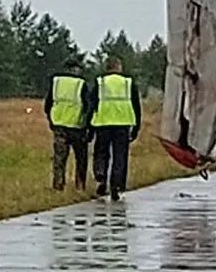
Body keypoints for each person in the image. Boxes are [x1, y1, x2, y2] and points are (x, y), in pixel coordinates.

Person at [89, 56, 142, 201]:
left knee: (101, 152)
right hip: (123, 124)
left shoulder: (100, 82)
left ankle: (101, 176)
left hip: (103, 123)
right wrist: (137, 127)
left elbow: (92, 104)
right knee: (120, 157)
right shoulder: (128, 82)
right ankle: (116, 186)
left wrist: (89, 126)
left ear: (106, 67)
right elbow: (137, 106)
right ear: (118, 67)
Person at [44, 58, 91, 190]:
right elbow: (88, 105)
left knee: (59, 158)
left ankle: (58, 185)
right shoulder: (81, 83)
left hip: (59, 125)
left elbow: (48, 104)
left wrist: (51, 120)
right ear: (75, 69)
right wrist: (87, 124)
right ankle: (80, 185)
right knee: (81, 157)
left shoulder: (56, 82)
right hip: (77, 126)